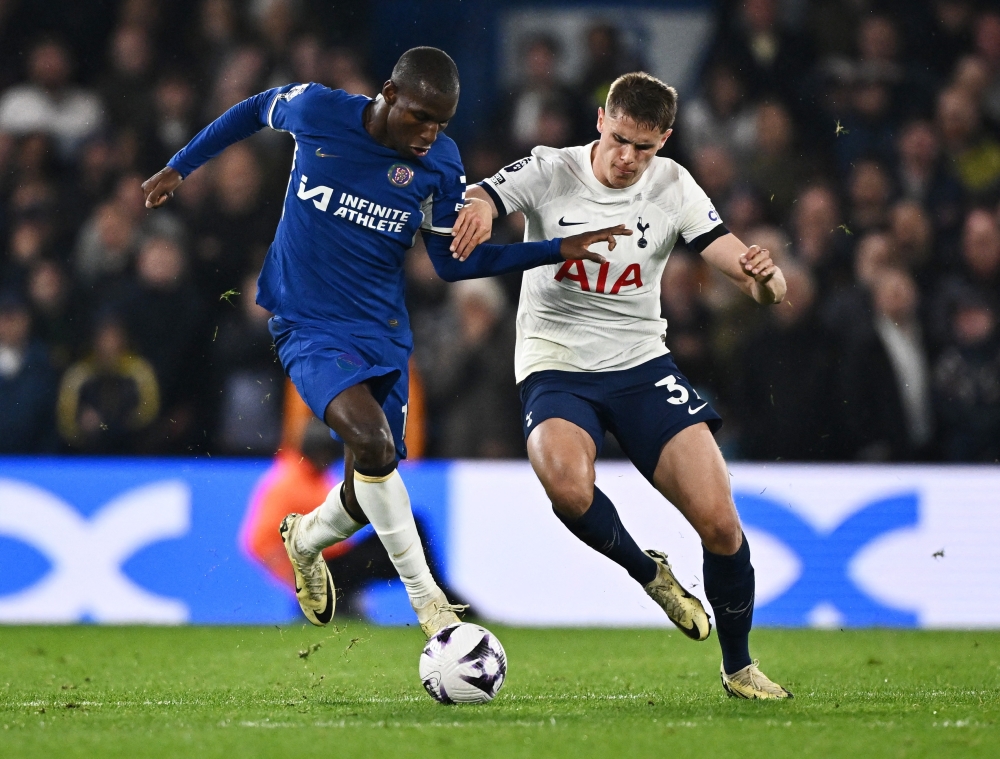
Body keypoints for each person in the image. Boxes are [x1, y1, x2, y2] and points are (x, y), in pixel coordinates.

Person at [141, 46, 627, 637]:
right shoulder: (319, 110)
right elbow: (252, 109)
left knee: (367, 478)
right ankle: (430, 604)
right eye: (420, 117)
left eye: (441, 122)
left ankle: (306, 539)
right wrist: (180, 165)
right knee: (371, 442)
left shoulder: (441, 163)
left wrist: (552, 250)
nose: (428, 134)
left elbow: (451, 265)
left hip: (382, 332)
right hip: (309, 325)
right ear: (389, 95)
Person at [465, 72, 792, 698]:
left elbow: (747, 273)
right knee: (564, 480)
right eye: (619, 139)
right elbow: (486, 193)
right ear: (600, 121)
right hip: (556, 360)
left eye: (644, 147)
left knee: (722, 524)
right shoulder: (551, 168)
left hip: (641, 365)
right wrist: (480, 207)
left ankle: (739, 667)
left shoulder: (673, 186)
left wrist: (765, 278)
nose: (627, 158)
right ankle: (649, 573)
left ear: (665, 140)